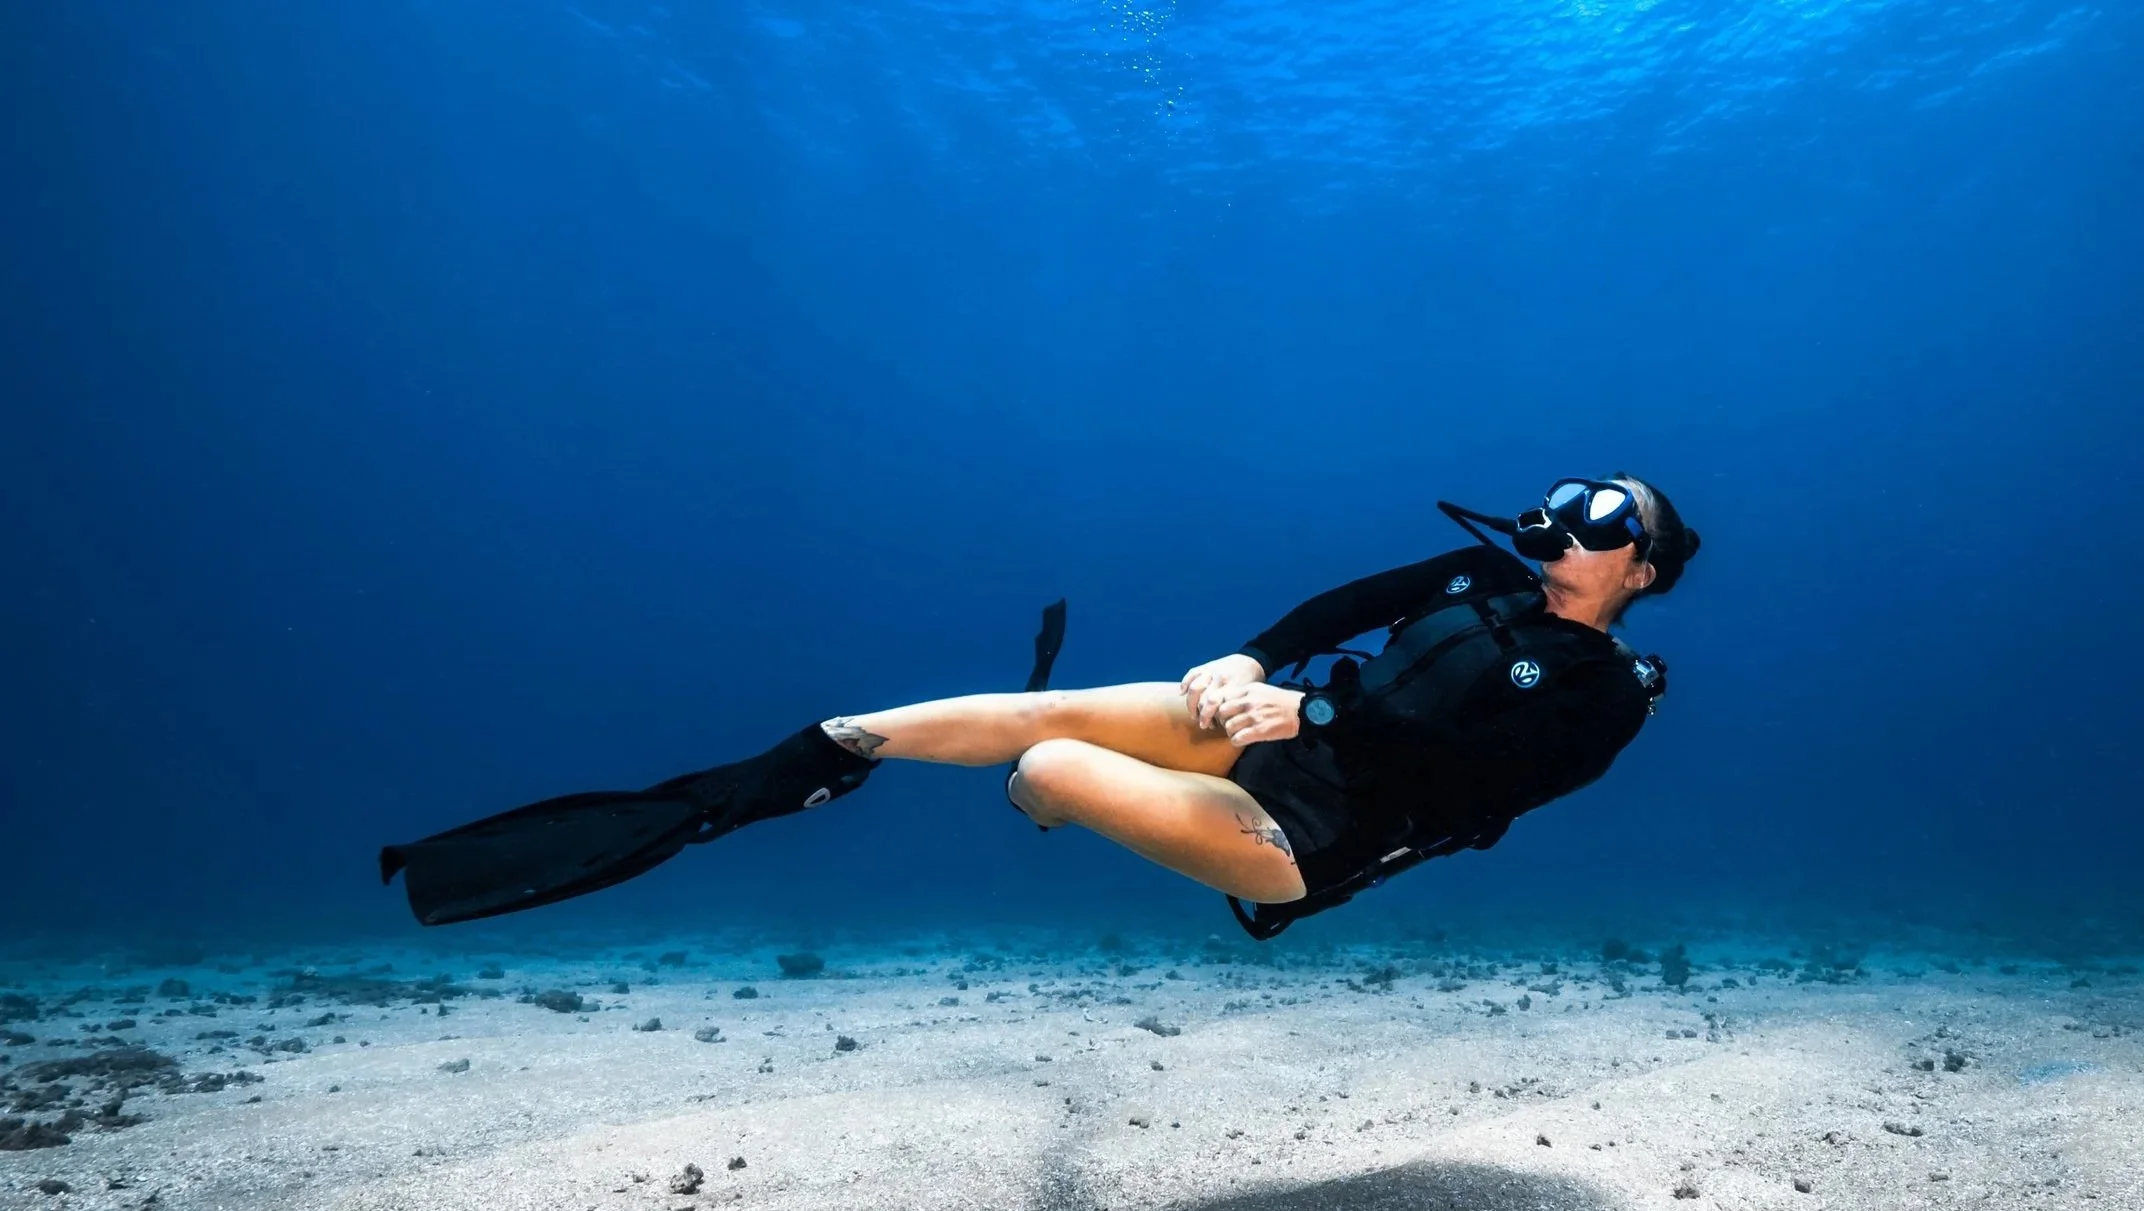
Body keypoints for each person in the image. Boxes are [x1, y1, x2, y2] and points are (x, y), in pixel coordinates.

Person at [380, 475, 1701, 938]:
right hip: (1282, 725)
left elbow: (1488, 790)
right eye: (1577, 494)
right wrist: (1252, 661)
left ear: (1639, 571)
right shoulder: (1480, 572)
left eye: (1608, 519)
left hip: (1310, 838)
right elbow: (1341, 607)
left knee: (1054, 764)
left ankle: (1044, 800)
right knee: (1009, 714)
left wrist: (1319, 725)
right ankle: (748, 785)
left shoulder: (1604, 694)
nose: (1571, 518)